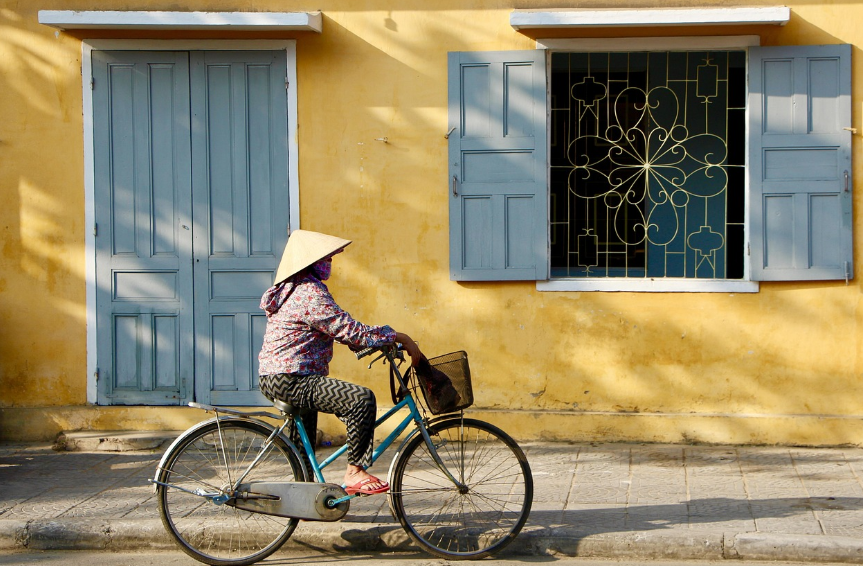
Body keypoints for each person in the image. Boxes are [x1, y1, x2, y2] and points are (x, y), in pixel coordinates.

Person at [257, 229, 422, 496]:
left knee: (304, 451)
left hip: (283, 376)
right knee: (361, 400)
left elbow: (338, 330)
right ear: (311, 263)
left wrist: (371, 342)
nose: (329, 264)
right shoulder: (309, 293)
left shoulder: (293, 290)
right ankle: (355, 471)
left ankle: (303, 498)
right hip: (292, 379)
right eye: (326, 259)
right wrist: (400, 337)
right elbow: (350, 330)